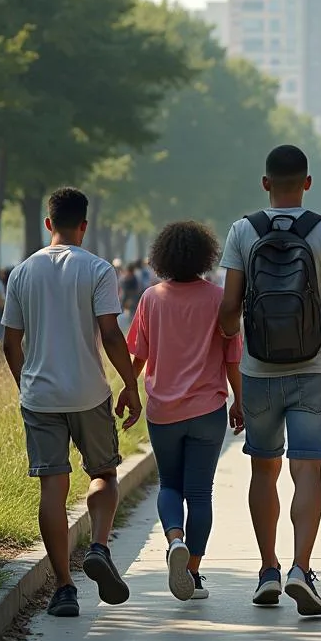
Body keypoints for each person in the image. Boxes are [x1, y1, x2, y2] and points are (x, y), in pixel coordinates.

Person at [218, 144, 321, 617]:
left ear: (265, 183)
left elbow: (228, 311)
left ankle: (267, 569)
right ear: (308, 183)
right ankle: (301, 569)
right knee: (307, 468)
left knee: (263, 469)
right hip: (312, 370)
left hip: (259, 372)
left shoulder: (243, 230)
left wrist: (229, 336)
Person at [1, 187, 142, 619]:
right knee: (103, 474)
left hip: (40, 396)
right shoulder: (98, 269)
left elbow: (10, 342)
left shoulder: (22, 273)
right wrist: (131, 385)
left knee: (53, 487)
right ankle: (98, 545)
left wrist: (27, 385)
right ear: (84, 225)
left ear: (48, 224)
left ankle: (63, 588)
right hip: (88, 392)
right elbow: (112, 333)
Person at [126, 221, 243, 602]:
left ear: (162, 256)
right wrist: (240, 401)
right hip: (208, 409)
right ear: (205, 255)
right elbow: (231, 358)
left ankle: (174, 537)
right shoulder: (218, 299)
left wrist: (129, 390)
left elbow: (138, 356)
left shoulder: (151, 299)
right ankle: (192, 570)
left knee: (170, 485)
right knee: (200, 493)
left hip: (163, 411)